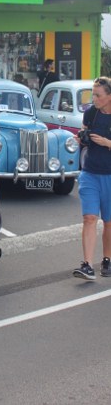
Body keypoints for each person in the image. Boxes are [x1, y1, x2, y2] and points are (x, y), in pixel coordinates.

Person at [73, 76, 111, 280]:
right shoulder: (90, 113)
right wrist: (81, 138)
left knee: (109, 222)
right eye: (93, 94)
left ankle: (107, 259)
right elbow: (84, 134)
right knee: (89, 218)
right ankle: (87, 264)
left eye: (98, 95)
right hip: (90, 173)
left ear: (109, 96)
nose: (93, 98)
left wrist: (108, 142)